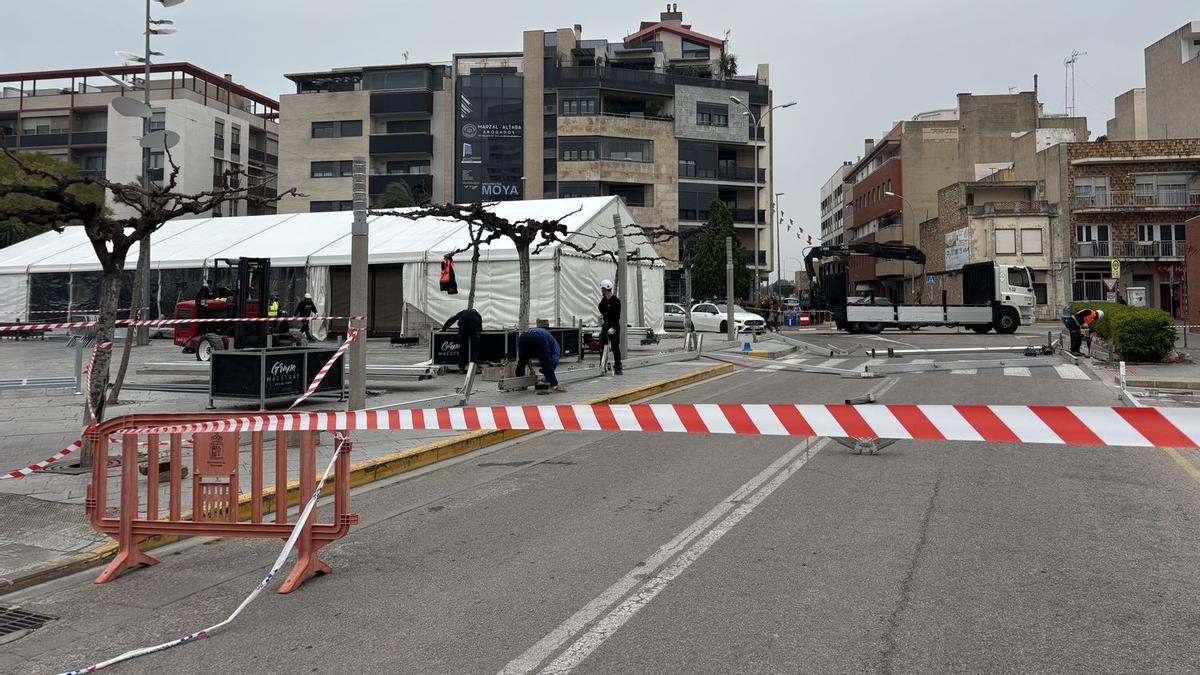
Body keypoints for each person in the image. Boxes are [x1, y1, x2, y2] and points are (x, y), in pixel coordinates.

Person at [516, 326, 563, 392]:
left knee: (522, 360)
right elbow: (554, 361)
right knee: (545, 361)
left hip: (523, 336)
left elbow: (527, 357)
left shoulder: (543, 333)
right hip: (536, 337)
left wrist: (531, 370)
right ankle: (554, 385)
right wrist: (547, 373)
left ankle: (519, 384)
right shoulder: (556, 346)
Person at [442, 306, 483, 373]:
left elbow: (453, 318)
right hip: (473, 326)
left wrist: (444, 327)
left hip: (463, 326)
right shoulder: (477, 314)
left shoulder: (463, 312)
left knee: (463, 348)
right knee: (475, 348)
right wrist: (479, 332)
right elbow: (480, 325)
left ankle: (461, 368)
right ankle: (474, 367)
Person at [598, 279, 623, 375]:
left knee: (615, 346)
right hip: (606, 324)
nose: (601, 290)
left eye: (602, 289)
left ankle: (618, 367)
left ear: (605, 289)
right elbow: (600, 308)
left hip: (614, 325)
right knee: (603, 346)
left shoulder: (616, 301)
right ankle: (602, 365)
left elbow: (617, 317)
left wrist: (613, 328)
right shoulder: (603, 301)